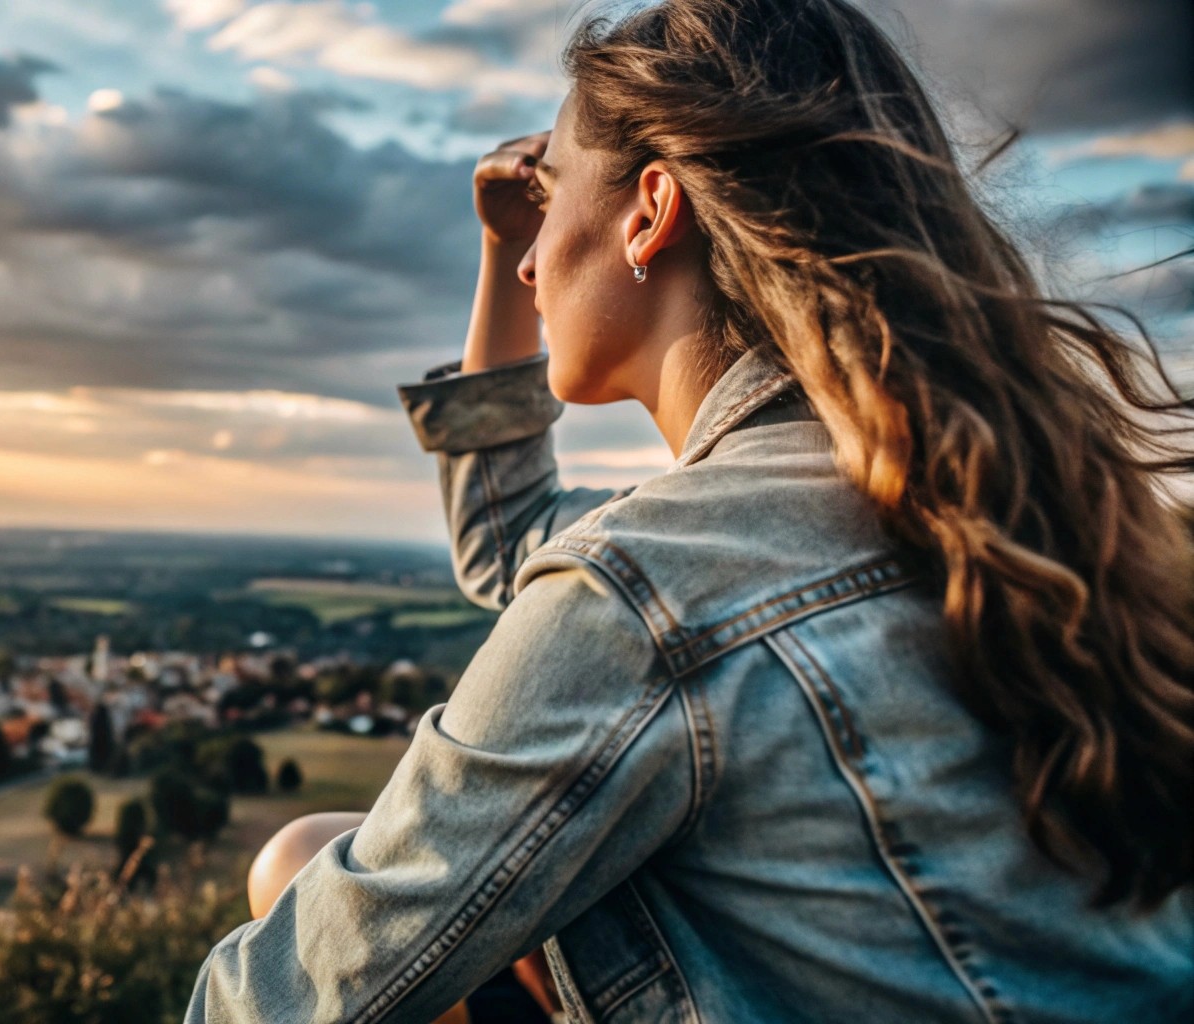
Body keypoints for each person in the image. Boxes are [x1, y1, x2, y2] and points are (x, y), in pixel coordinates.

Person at [184, 0, 1194, 1021]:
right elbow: (507, 536)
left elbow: (296, 992)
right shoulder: (981, 495)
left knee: (313, 895)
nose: (533, 263)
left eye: (550, 205)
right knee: (302, 854)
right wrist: (498, 250)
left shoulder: (655, 580)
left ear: (648, 209)